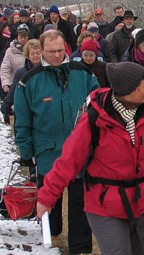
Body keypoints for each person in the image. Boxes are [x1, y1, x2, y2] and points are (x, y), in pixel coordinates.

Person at [36, 61, 144, 255]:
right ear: (130, 90)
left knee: (141, 251)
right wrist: (47, 197)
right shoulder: (94, 120)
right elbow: (69, 160)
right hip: (105, 203)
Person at [14, 30, 98, 255]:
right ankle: (50, 238)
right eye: (51, 51)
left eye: (61, 50)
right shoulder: (28, 82)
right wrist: (26, 152)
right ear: (40, 50)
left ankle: (80, 248)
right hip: (47, 152)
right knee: (50, 201)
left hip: (81, 154)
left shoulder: (83, 74)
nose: (57, 55)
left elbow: (99, 108)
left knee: (81, 203)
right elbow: (22, 121)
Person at [1, 39, 41, 121]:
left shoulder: (47, 70)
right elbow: (14, 91)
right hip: (26, 109)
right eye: (32, 53)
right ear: (28, 55)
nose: (35, 56)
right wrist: (5, 107)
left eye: (38, 53)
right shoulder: (22, 72)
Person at [0, 24, 31, 110]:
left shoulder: (32, 50)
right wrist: (6, 84)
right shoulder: (10, 51)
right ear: (17, 36)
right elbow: (5, 68)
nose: (23, 39)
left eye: (25, 37)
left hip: (31, 87)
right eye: (21, 37)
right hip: (16, 86)